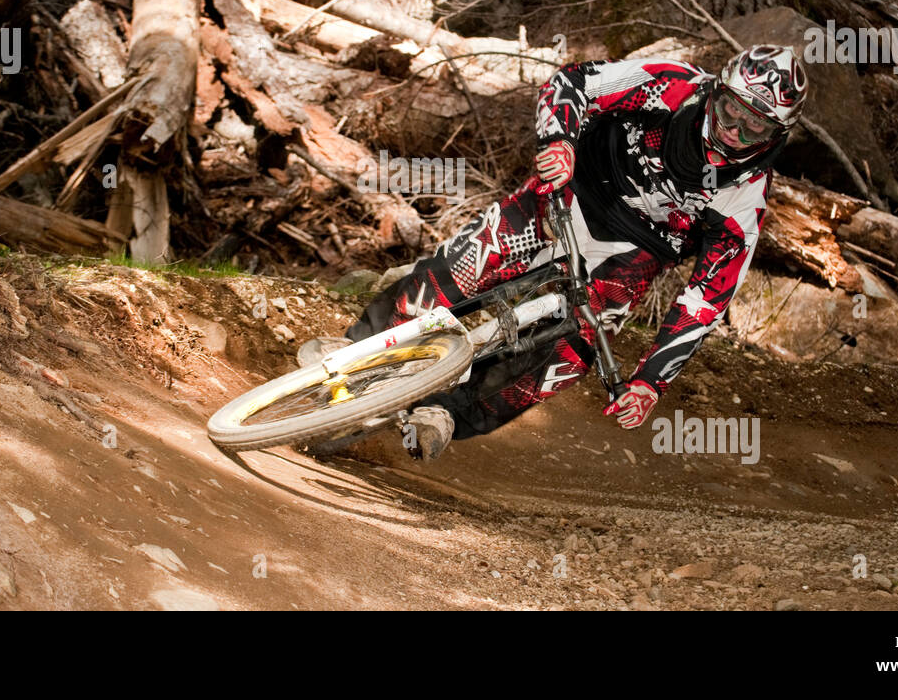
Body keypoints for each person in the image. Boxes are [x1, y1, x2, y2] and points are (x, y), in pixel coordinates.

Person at [321, 45, 808, 460]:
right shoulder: (670, 83)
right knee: (472, 259)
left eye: (754, 129)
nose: (733, 133)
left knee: (573, 352)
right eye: (731, 113)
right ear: (715, 93)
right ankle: (357, 347)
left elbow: (707, 300)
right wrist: (559, 140)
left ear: (777, 137)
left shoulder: (747, 199)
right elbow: (573, 82)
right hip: (574, 188)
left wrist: (649, 383)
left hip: (635, 252)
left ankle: (447, 414)